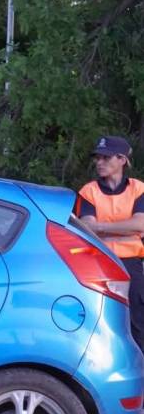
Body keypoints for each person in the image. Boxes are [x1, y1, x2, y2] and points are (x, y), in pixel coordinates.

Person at [76, 135, 144, 351]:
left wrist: (101, 227)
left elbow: (140, 226)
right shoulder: (89, 191)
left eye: (106, 158)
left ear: (122, 160)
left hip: (130, 264)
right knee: (102, 320)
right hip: (99, 263)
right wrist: (125, 228)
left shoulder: (138, 189)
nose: (99, 162)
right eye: (98, 158)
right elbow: (86, 228)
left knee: (137, 322)